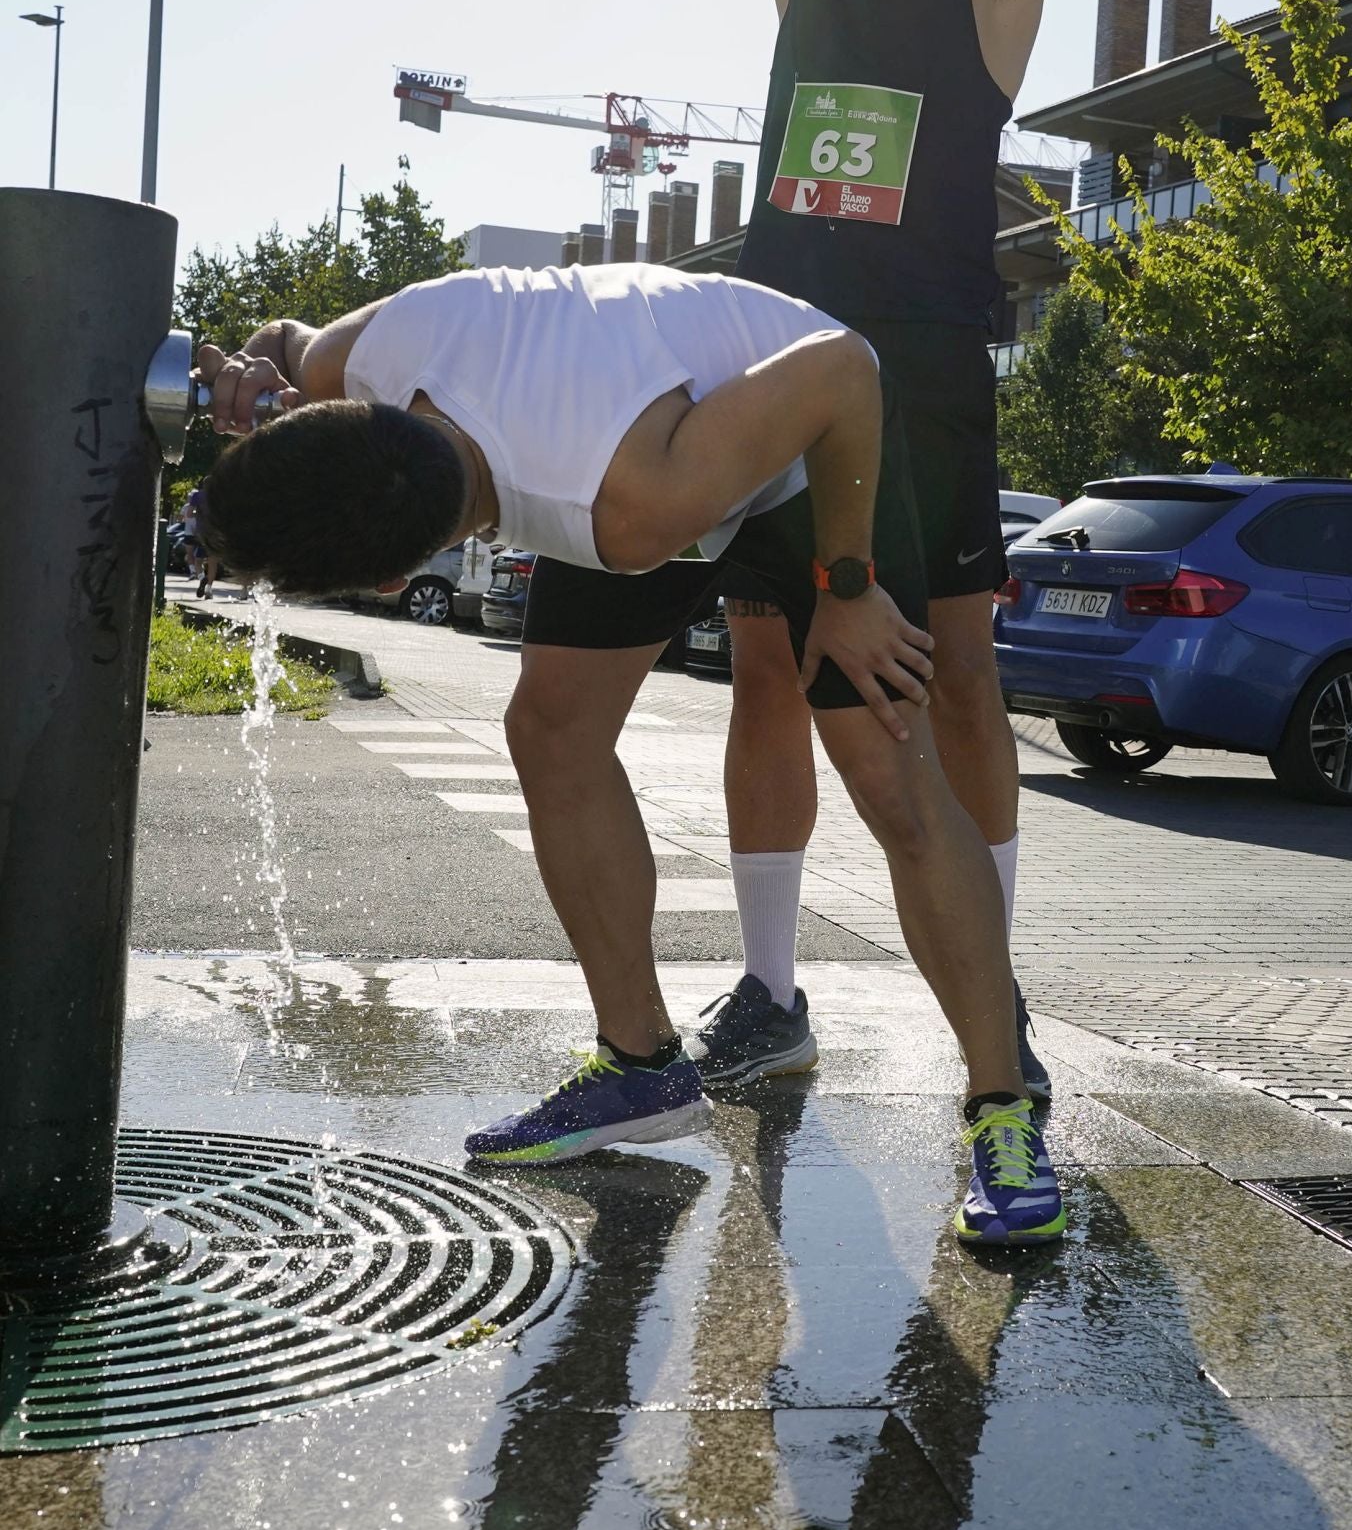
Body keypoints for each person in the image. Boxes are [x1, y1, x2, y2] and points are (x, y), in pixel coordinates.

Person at [198, 259, 1065, 1244]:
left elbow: (843, 368)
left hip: (801, 442)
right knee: (551, 731)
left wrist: (850, 583)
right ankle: (641, 1062)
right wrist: (252, 366)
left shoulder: (627, 503)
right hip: (639, 418)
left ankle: (1006, 1112)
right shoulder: (355, 361)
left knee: (892, 782)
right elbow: (282, 339)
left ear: (397, 578)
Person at [607, 0, 1169, 1090]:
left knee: (961, 681)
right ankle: (772, 987)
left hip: (920, 369)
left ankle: (995, 998)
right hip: (774, 360)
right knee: (764, 674)